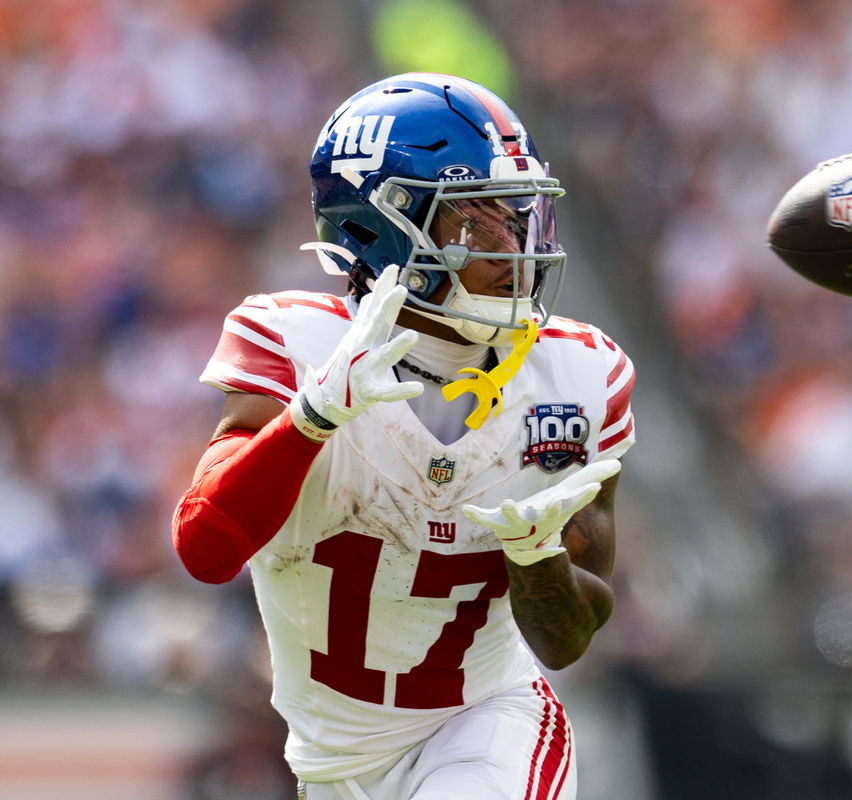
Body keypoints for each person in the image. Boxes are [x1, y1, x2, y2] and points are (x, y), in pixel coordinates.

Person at [171, 72, 636, 800]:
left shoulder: (577, 374)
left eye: (517, 219)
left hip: (488, 721)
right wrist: (311, 418)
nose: (511, 249)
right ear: (377, 228)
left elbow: (566, 639)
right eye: (473, 223)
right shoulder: (296, 344)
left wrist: (536, 557)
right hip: (331, 766)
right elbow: (207, 550)